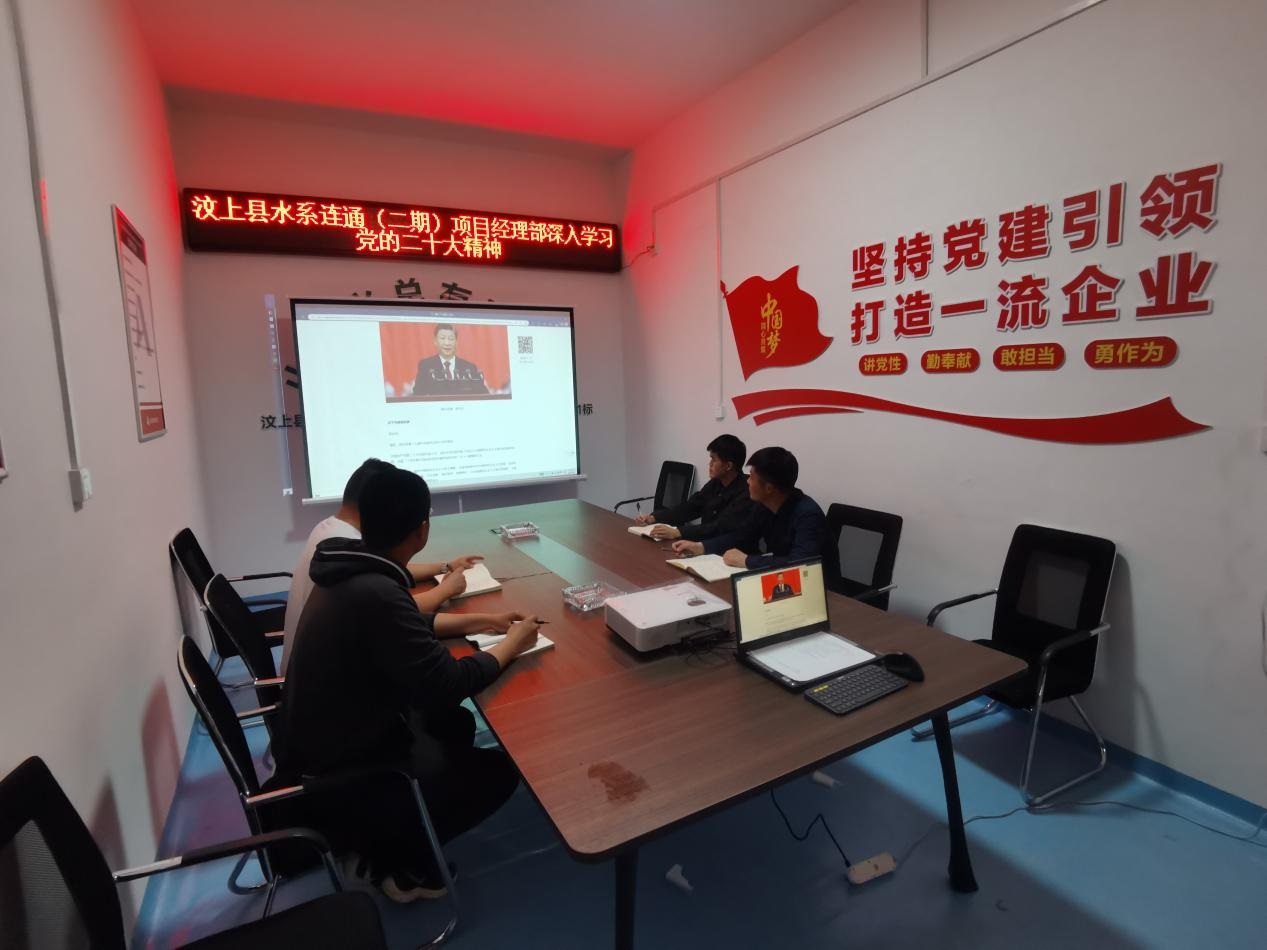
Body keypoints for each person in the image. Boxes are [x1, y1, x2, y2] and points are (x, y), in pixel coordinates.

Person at [279, 468, 540, 901]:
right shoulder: (375, 590)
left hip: (320, 742)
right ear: (422, 530)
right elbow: (448, 682)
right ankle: (401, 864)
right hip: (341, 772)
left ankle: (390, 831)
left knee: (454, 723)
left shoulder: (352, 567)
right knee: (498, 771)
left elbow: (407, 623)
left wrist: (485, 621)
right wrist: (511, 644)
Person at [279, 458, 482, 675]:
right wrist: (446, 589)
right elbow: (401, 610)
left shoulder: (333, 533)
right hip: (325, 676)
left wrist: (444, 566)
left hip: (309, 669)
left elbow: (385, 571)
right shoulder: (348, 542)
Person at [672, 446, 826, 569]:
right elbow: (741, 535)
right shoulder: (764, 504)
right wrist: (701, 547)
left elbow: (801, 564)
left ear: (769, 488)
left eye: (751, 477)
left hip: (822, 589)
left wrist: (747, 561)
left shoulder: (807, 515)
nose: (747, 481)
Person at [633, 434, 755, 542]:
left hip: (730, 552)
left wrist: (678, 532)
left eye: (713, 459)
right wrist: (654, 517)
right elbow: (690, 507)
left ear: (728, 466)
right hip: (705, 546)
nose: (710, 464)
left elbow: (719, 527)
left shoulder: (746, 492)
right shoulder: (715, 483)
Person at [413, 324, 488, 395]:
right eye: (442, 338)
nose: (447, 343)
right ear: (435, 341)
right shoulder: (426, 366)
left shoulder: (469, 367)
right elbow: (418, 394)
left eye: (451, 339)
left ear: (456, 342)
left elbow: (482, 394)